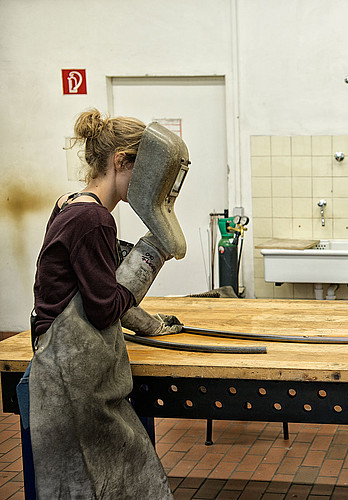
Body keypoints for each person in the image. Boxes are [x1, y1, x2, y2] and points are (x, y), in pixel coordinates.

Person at [19, 109, 186, 499]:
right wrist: (151, 255)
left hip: (63, 365)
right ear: (120, 162)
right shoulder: (94, 219)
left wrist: (150, 322)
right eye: (143, 172)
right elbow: (102, 306)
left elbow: (89, 286)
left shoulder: (69, 204)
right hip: (70, 379)